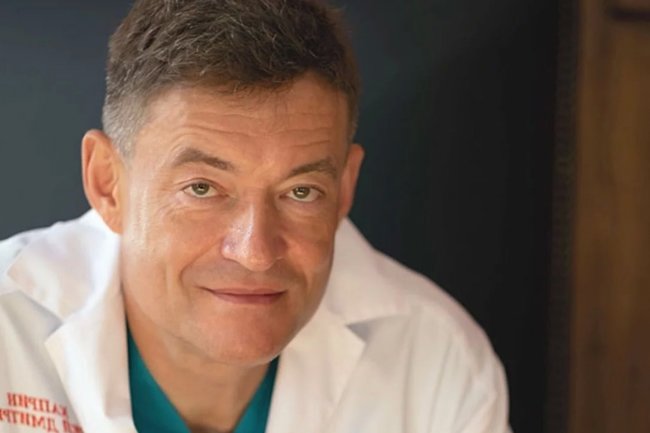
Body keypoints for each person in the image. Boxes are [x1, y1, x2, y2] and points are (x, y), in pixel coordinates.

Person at [0, 1, 511, 432]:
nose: (255, 252)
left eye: (301, 192)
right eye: (202, 188)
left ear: (344, 189)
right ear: (108, 185)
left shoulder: (440, 363)